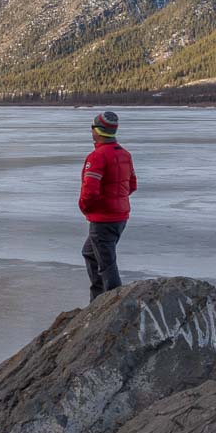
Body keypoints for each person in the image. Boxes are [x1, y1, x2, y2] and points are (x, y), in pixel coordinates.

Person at [79, 109, 136, 302]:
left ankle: (113, 305)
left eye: (93, 127)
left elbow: (90, 191)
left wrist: (86, 207)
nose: (91, 131)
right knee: (90, 253)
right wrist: (117, 201)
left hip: (103, 219)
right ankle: (97, 301)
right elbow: (132, 184)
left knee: (107, 265)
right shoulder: (125, 155)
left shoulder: (97, 157)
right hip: (119, 217)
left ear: (99, 131)